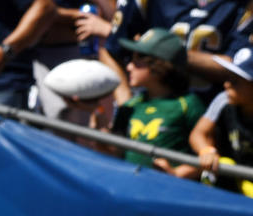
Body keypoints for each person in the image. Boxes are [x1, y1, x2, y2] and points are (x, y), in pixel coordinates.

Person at [101, 0, 252, 105]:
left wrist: (166, 51)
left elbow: (242, 69)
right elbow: (112, 49)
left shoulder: (245, 7)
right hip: (148, 108)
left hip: (212, 117)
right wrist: (124, 101)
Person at [110, 28, 204, 178]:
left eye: (136, 62)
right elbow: (116, 153)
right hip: (128, 185)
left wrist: (177, 173)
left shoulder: (188, 104)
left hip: (166, 193)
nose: (128, 67)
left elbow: (204, 158)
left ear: (159, 66)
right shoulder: (130, 107)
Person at [190, 47, 253, 193]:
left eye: (235, 81)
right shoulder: (224, 99)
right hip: (234, 180)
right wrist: (207, 150)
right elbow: (199, 133)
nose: (226, 84)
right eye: (228, 77)